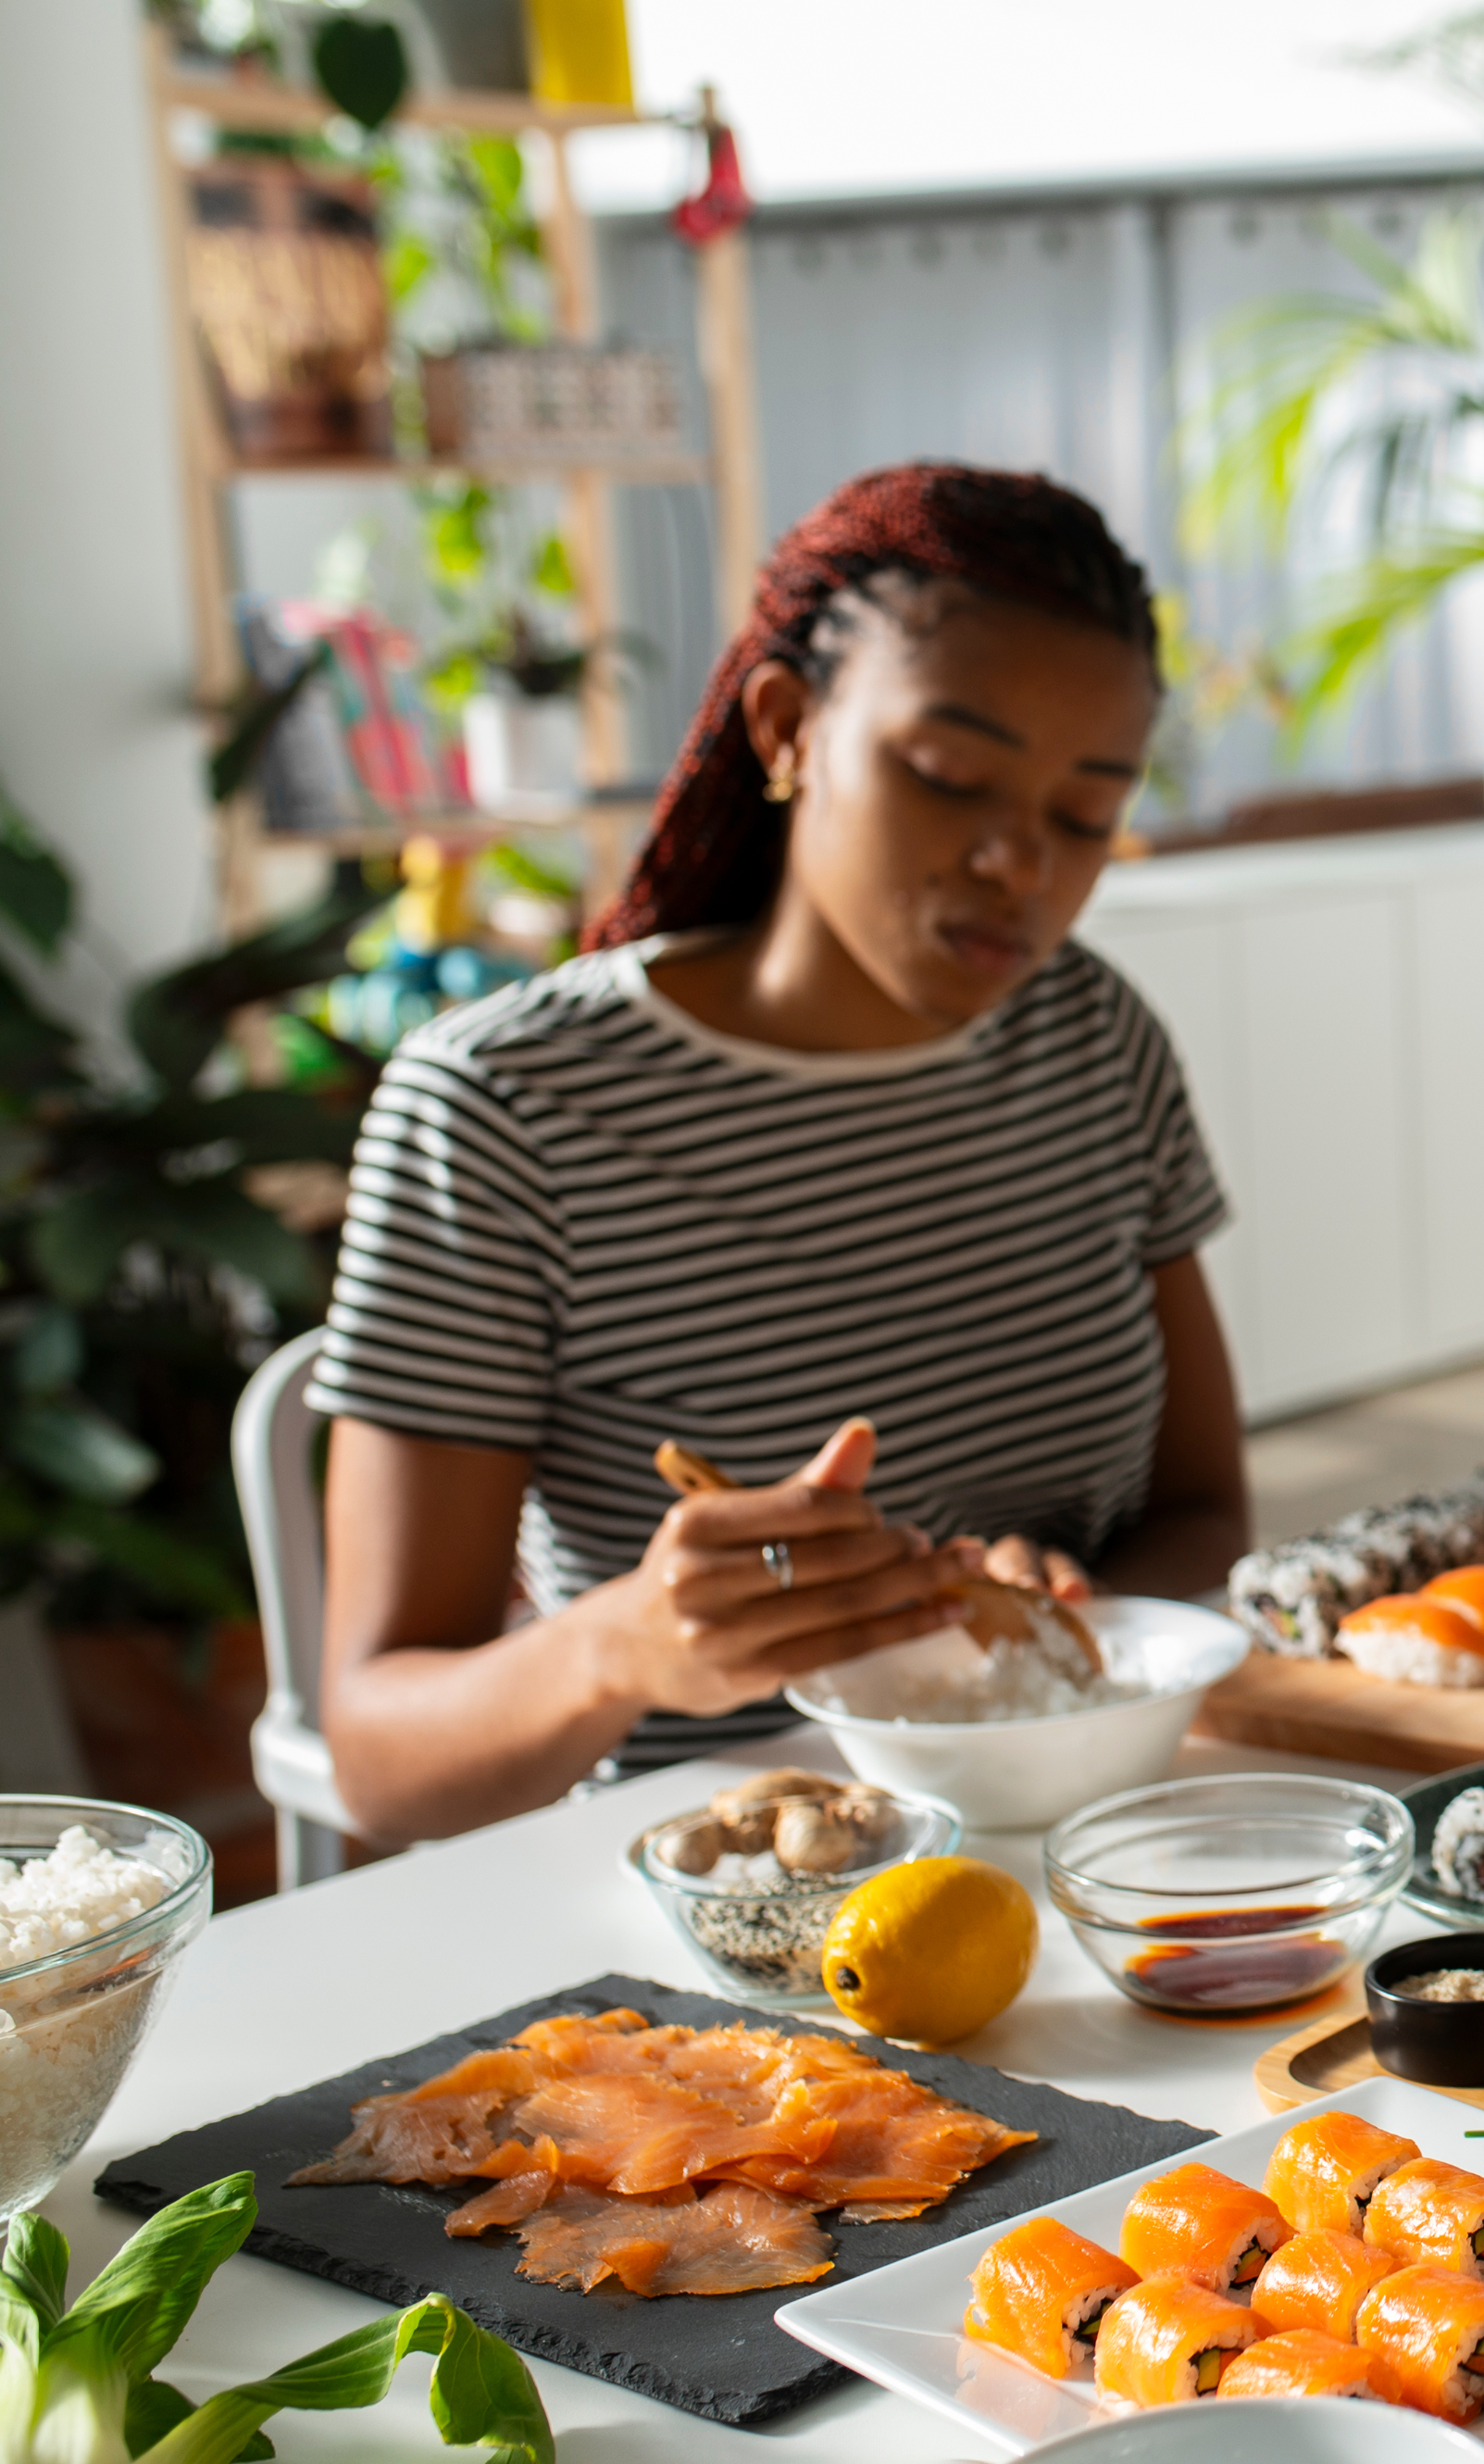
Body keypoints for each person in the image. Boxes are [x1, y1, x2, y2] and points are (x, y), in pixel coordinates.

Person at [313, 464, 1252, 1843]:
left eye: (1085, 812)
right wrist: (622, 1647)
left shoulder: (1090, 1041)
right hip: (732, 1894)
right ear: (788, 725)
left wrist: (1075, 1602)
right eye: (948, 776)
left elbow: (1206, 1505)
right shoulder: (505, 1111)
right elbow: (379, 1755)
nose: (1017, 864)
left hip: (1084, 1837)